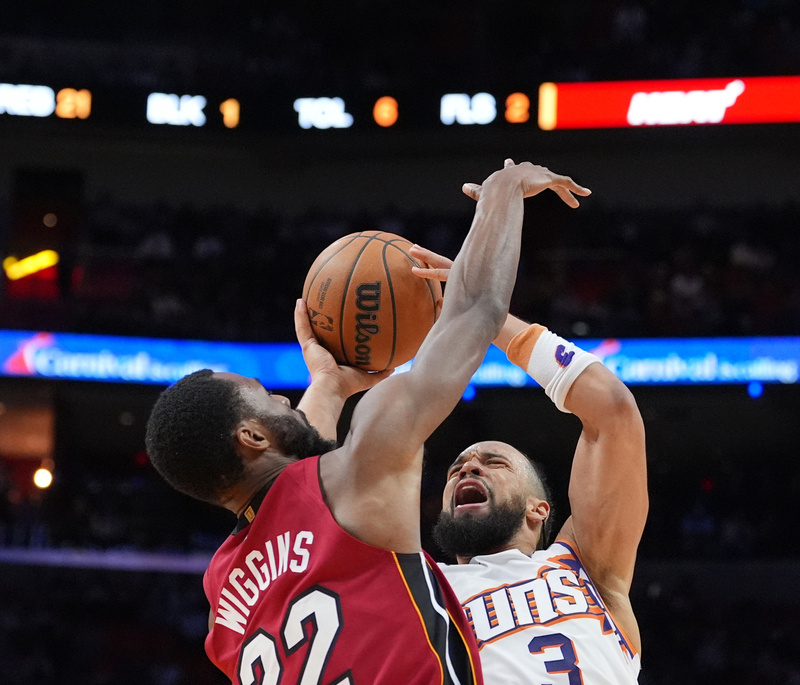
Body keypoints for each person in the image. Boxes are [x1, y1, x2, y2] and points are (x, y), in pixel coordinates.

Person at [144, 159, 591, 685]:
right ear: (252, 436)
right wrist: (503, 194)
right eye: (264, 396)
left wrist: (331, 384)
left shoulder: (225, 595)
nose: (286, 399)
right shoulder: (360, 469)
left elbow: (297, 487)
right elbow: (478, 311)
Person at [409, 244, 648, 684]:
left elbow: (612, 411)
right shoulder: (417, 591)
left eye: (493, 462)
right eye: (456, 469)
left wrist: (489, 317)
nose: (468, 468)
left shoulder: (587, 569)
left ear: (539, 509)